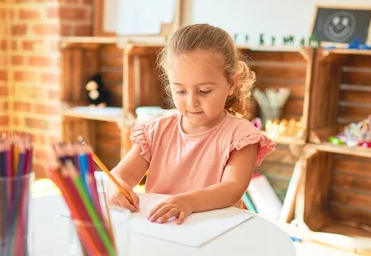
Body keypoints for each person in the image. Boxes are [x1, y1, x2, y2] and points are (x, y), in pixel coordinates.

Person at [108, 23, 275, 224]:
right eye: (180, 91)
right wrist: (117, 187)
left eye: (204, 91)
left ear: (231, 83)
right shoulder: (156, 130)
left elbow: (232, 188)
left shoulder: (241, 137)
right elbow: (121, 174)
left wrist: (187, 202)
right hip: (163, 230)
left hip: (213, 235)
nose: (191, 102)